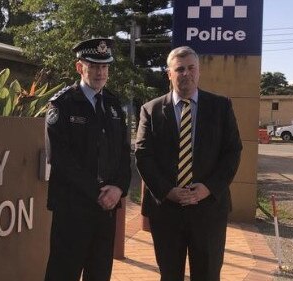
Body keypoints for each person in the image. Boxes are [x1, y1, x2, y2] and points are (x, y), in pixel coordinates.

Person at [135, 46, 242, 281]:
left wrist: (208, 188)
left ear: (199, 71)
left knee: (208, 275)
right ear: (169, 74)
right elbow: (143, 155)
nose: (186, 73)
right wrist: (167, 191)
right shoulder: (150, 110)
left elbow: (232, 152)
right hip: (166, 212)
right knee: (169, 275)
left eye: (191, 68)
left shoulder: (221, 107)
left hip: (209, 210)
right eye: (179, 69)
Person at [44, 38, 131, 281]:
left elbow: (124, 154)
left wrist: (119, 188)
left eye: (104, 67)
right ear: (79, 67)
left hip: (106, 210)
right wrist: (97, 192)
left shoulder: (113, 105)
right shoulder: (62, 104)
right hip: (73, 209)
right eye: (93, 66)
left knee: (99, 273)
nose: (100, 72)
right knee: (63, 273)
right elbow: (60, 159)